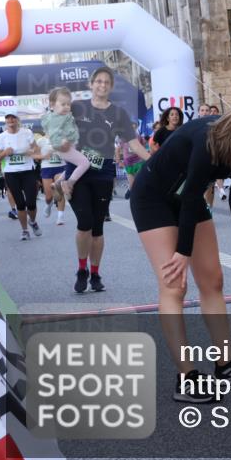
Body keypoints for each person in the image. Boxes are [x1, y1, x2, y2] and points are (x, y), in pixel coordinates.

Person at [130, 101, 231, 402]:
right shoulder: (209, 139)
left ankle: (226, 365)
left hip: (186, 196)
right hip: (153, 198)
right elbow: (190, 196)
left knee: (213, 281)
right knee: (175, 285)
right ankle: (186, 378)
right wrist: (182, 251)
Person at [62, 66, 150, 293]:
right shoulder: (77, 108)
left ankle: (95, 273)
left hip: (103, 174)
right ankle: (81, 269)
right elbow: (55, 125)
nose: (102, 85)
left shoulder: (118, 113)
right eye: (98, 81)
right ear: (91, 84)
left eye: (106, 82)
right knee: (85, 223)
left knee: (98, 228)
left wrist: (153, 160)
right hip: (77, 173)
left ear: (110, 87)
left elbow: (133, 144)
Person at [38, 87, 94, 201]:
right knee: (84, 163)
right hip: (64, 147)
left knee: (71, 166)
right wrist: (62, 140)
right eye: (63, 104)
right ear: (52, 105)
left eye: (68, 104)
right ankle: (69, 184)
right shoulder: (54, 118)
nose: (67, 107)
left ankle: (57, 183)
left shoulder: (64, 116)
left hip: (70, 146)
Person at [0, 114, 42, 241]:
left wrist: (32, 152)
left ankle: (33, 221)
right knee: (20, 204)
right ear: (5, 121)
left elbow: (36, 148)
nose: (11, 120)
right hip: (11, 173)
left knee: (31, 203)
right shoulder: (2, 137)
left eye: (13, 118)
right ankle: (25, 230)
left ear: (17, 120)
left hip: (27, 171)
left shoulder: (27, 132)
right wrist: (4, 153)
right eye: (8, 118)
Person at [34, 128, 68, 225]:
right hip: (47, 168)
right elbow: (35, 156)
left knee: (59, 190)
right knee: (48, 196)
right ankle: (49, 204)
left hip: (61, 167)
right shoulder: (41, 141)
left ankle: (60, 217)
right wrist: (44, 157)